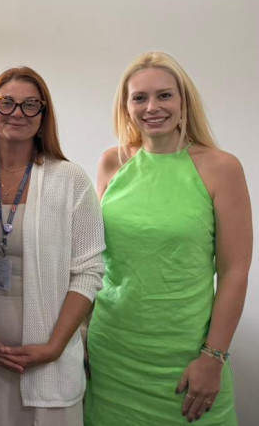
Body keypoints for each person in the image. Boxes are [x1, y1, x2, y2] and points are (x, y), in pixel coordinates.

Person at [84, 52, 252, 425]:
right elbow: (96, 260)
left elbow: (235, 271)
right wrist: (82, 333)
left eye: (164, 95)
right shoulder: (112, 163)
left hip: (188, 361)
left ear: (183, 101)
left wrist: (213, 357)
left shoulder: (222, 168)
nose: (152, 107)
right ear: (125, 106)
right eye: (139, 98)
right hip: (112, 353)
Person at [0, 67, 105, 426]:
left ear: (43, 116)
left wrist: (53, 347)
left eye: (30, 104)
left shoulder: (70, 180)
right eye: (5, 103)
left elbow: (89, 272)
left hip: (46, 364)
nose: (17, 113)